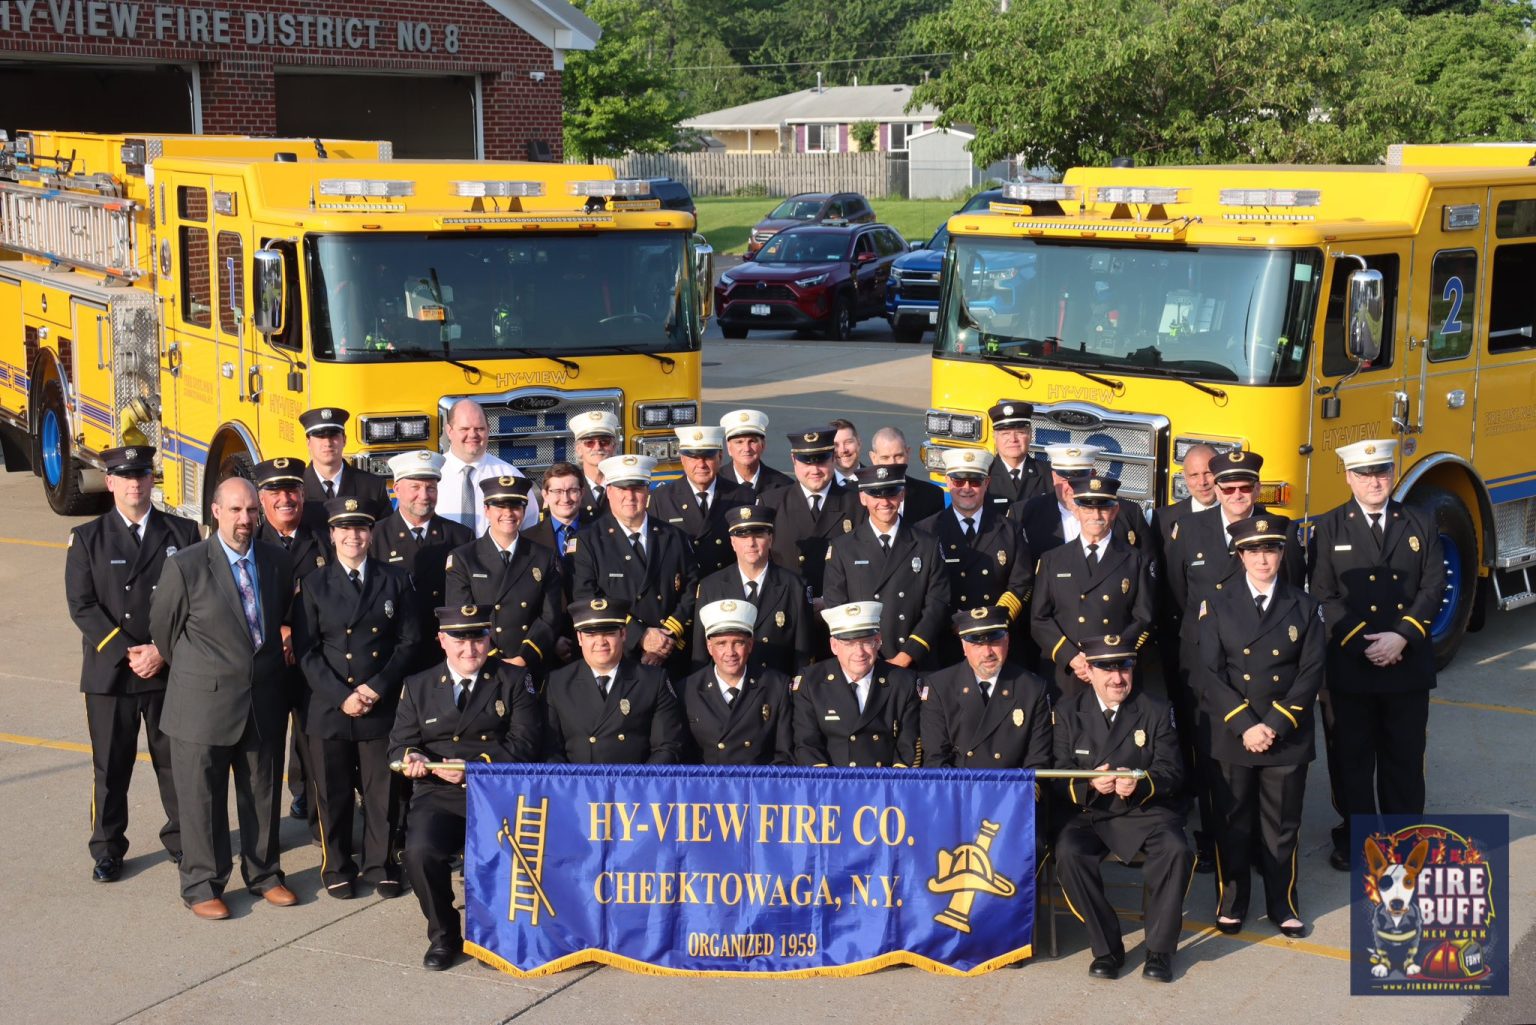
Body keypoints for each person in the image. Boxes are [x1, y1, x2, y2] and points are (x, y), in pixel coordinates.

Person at [149, 477, 297, 920]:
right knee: (201, 800)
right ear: (215, 512)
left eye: (252, 510)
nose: (245, 520)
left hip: (261, 701)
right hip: (202, 705)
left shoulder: (276, 561)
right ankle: (202, 884)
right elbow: (164, 632)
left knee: (262, 793)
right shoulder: (186, 566)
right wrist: (207, 673)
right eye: (235, 510)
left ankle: (265, 875)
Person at [1163, 448, 1305, 871]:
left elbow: (1293, 597)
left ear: (1258, 489)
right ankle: (1213, 841)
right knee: (1212, 757)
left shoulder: (1281, 531)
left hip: (1266, 666)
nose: (1237, 494)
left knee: (1265, 755)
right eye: (1229, 487)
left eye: (1246, 487)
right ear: (1219, 490)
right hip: (1205, 666)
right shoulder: (1186, 530)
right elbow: (1176, 599)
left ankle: (1264, 846)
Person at [65, 445, 201, 883]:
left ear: (151, 480)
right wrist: (129, 650)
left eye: (141, 475)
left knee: (174, 763)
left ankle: (184, 841)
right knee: (110, 766)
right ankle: (107, 849)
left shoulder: (182, 533)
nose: (134, 484)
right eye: (124, 477)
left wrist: (160, 651)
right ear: (109, 482)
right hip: (112, 672)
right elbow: (82, 605)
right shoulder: (88, 538)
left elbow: (196, 600)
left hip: (167, 669)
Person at [1309, 439, 1444, 872]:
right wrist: (1365, 641)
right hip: (1351, 666)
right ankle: (1356, 837)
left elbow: (1433, 586)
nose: (1374, 481)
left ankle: (1406, 839)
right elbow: (1323, 594)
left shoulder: (1420, 521)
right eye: (1365, 474)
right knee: (1351, 758)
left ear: (1392, 474)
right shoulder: (1328, 527)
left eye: (1382, 472)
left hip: (1406, 662)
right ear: (1348, 477)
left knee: (1404, 756)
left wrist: (1403, 636)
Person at [388, 604, 543, 970]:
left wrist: (474, 769)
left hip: (496, 790)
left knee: (495, 855)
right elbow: (398, 744)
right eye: (459, 639)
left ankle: (490, 937)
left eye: (477, 639)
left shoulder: (514, 680)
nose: (469, 649)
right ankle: (444, 936)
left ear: (489, 639)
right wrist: (413, 759)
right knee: (420, 852)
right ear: (442, 640)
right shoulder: (418, 685)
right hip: (439, 793)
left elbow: (526, 744)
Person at [1195, 514, 1323, 938]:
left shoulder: (1303, 605)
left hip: (1285, 733)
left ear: (1282, 553)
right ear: (1240, 554)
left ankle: (1282, 902)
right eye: (1253, 550)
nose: (1263, 558)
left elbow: (1310, 672)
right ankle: (1232, 900)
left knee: (1281, 825)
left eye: (1270, 549)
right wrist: (1246, 724)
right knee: (1233, 823)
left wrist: (1274, 724)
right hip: (1235, 733)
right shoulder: (1217, 602)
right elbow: (1209, 673)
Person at [291, 498, 421, 900]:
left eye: (361, 529)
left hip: (378, 703)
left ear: (371, 534)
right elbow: (307, 650)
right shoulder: (313, 585)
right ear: (332, 535)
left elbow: (409, 640)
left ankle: (381, 863)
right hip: (330, 707)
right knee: (333, 794)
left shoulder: (394, 579)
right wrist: (342, 695)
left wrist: (375, 687)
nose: (353, 536)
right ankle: (338, 864)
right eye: (345, 529)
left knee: (382, 792)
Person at [1051, 634, 1192, 983]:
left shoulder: (1156, 709)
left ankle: (1159, 949)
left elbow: (1172, 771)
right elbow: (1057, 771)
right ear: (1090, 671)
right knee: (1068, 852)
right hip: (1093, 812)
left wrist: (1141, 783)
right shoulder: (1069, 712)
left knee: (1176, 849)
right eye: (1107, 669)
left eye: (1124, 668)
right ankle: (1107, 946)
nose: (1117, 678)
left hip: (1145, 811)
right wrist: (1087, 782)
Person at [252, 456, 329, 831]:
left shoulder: (326, 537)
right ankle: (263, 842)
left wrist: (297, 632)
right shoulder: (248, 542)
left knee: (315, 748)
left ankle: (320, 826)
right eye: (275, 491)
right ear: (261, 499)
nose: (285, 498)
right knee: (262, 755)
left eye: (293, 490)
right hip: (265, 662)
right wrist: (280, 632)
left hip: (312, 658)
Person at [570, 454, 697, 673]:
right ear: (609, 492)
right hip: (621, 657)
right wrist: (641, 636)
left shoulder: (673, 536)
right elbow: (588, 597)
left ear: (648, 491)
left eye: (637, 488)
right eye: (621, 489)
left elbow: (692, 588)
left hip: (671, 653)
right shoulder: (589, 540)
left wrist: (667, 637)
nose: (630, 496)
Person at [1030, 475, 1154, 697]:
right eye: (1087, 508)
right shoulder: (1053, 560)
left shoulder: (1135, 560)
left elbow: (1143, 618)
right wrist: (1072, 658)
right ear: (1076, 511)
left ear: (1114, 511)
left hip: (1113, 673)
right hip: (1066, 672)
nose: (1096, 516)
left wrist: (1109, 661)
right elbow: (1040, 619)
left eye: (1103, 509)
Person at [823, 463, 951, 669]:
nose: (884, 502)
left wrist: (908, 654)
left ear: (902, 495)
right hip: (864, 662)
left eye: (891, 493)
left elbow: (937, 605)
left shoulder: (927, 544)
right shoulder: (843, 548)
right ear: (863, 498)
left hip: (915, 662)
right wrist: (865, 654)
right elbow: (837, 605)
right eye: (875, 494)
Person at [916, 448, 1034, 667]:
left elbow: (1022, 584)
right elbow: (920, 588)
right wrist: (956, 620)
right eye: (959, 482)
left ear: (987, 483)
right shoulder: (925, 532)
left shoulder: (1010, 530)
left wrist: (994, 622)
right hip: (946, 642)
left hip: (997, 641)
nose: (967, 489)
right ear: (948, 482)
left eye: (975, 482)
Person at [444, 476, 565, 675]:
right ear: (486, 510)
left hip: (530, 664)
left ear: (524, 510)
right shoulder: (463, 558)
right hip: (483, 665)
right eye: (499, 506)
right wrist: (493, 658)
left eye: (516, 506)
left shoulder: (543, 556)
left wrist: (524, 657)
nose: (508, 513)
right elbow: (463, 618)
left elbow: (550, 616)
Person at [542, 598, 685, 763]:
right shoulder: (557, 683)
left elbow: (667, 747)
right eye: (591, 634)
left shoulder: (653, 681)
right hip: (578, 786)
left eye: (609, 633)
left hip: (635, 785)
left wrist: (638, 787)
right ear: (580, 638)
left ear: (623, 634)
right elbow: (550, 750)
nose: (601, 642)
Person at [370, 450, 473, 667]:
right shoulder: (375, 536)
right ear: (396, 489)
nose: (424, 495)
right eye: (415, 487)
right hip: (392, 651)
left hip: (442, 650)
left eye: (431, 488)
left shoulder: (460, 536)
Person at [791, 601, 921, 768]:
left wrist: (891, 789)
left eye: (866, 642)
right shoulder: (811, 682)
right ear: (834, 646)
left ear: (878, 641)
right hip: (832, 786)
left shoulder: (903, 682)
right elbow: (807, 744)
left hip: (885, 785)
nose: (859, 653)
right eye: (849, 644)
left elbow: (908, 745)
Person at [919, 607, 1052, 770]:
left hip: (1010, 791)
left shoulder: (1032, 688)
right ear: (964, 646)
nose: (987, 652)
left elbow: (1037, 760)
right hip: (960, 791)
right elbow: (936, 759)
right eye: (977, 644)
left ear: (1007, 640)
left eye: (994, 642)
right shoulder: (940, 686)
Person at [693, 506, 814, 676]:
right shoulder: (710, 586)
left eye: (758, 535)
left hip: (776, 689)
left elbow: (803, 651)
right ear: (732, 542)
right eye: (742, 536)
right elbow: (700, 652)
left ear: (770, 539)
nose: (751, 543)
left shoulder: (795, 586)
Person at [678, 599, 794, 764]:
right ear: (709, 647)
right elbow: (682, 755)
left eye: (738, 643)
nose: (730, 652)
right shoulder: (687, 690)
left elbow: (785, 754)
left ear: (750, 645)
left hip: (756, 786)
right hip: (707, 786)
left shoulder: (776, 686)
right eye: (721, 644)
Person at [761, 426, 861, 608]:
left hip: (840, 610)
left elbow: (864, 565)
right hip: (788, 608)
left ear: (833, 458)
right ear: (794, 460)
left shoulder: (857, 503)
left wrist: (829, 601)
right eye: (806, 462)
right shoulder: (771, 503)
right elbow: (761, 565)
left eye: (821, 461)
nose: (815, 470)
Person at [648, 425, 753, 576]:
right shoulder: (661, 498)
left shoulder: (743, 496)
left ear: (720, 457)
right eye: (694, 458)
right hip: (683, 589)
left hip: (726, 587)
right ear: (682, 459)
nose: (701, 465)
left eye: (708, 457)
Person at [1016, 443, 1146, 554]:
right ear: (1054, 477)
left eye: (1079, 480)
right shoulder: (1027, 513)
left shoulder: (1128, 513)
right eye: (1064, 480)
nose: (1072, 488)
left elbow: (1147, 567)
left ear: (1093, 475)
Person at [435, 398, 538, 535]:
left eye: (479, 429)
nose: (472, 435)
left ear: (488, 430)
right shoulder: (432, 475)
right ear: (449, 431)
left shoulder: (510, 475)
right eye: (464, 429)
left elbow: (530, 528)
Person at [299, 407, 390, 521]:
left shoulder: (373, 487)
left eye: (333, 436)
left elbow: (386, 534)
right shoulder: (295, 488)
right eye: (320, 437)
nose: (327, 443)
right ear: (308, 442)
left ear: (344, 440)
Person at [985, 400, 1052, 513]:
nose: (1013, 439)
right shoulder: (984, 475)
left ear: (1030, 435)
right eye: (1005, 434)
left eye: (1020, 432)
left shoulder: (1049, 474)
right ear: (994, 437)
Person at [867, 426, 946, 522]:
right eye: (885, 457)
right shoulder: (854, 496)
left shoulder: (932, 496)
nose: (893, 463)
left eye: (898, 456)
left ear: (908, 453)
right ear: (873, 458)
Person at [718, 408, 793, 495]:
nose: (746, 448)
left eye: (752, 441)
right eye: (739, 442)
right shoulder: (714, 482)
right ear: (729, 447)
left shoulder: (784, 486)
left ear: (763, 445)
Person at [569, 409, 619, 523]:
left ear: (614, 447)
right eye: (589, 443)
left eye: (604, 442)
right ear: (578, 449)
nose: (597, 447)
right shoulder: (569, 487)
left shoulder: (625, 484)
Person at [830, 417, 863, 486]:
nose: (843, 450)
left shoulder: (874, 481)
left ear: (859, 443)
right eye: (835, 445)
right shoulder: (822, 484)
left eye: (848, 442)